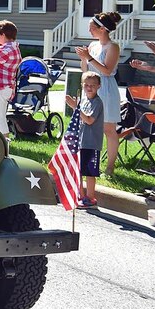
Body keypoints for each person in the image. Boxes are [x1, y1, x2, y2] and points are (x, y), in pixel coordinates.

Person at [76, 11, 123, 177]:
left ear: (102, 29)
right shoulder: (93, 45)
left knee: (109, 129)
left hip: (107, 89)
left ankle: (110, 166)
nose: (90, 31)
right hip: (91, 88)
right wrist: (83, 59)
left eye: (92, 28)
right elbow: (86, 70)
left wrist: (88, 57)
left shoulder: (113, 47)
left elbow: (108, 70)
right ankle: (89, 161)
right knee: (90, 126)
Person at [66, 71, 105, 208]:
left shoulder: (97, 103)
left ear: (99, 86)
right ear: (82, 85)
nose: (89, 87)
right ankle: (80, 195)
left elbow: (89, 120)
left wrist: (75, 107)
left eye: (93, 85)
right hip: (81, 141)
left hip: (92, 143)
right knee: (80, 170)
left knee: (89, 172)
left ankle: (91, 197)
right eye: (86, 85)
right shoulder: (84, 100)